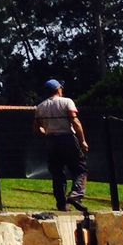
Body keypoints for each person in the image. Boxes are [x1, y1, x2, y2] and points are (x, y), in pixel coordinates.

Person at [35, 79, 90, 213]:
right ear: (58, 89)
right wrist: (82, 140)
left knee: (57, 173)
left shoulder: (40, 107)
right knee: (80, 169)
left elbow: (37, 128)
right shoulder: (67, 101)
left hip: (51, 141)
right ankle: (76, 196)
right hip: (67, 138)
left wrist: (47, 133)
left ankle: (62, 205)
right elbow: (75, 121)